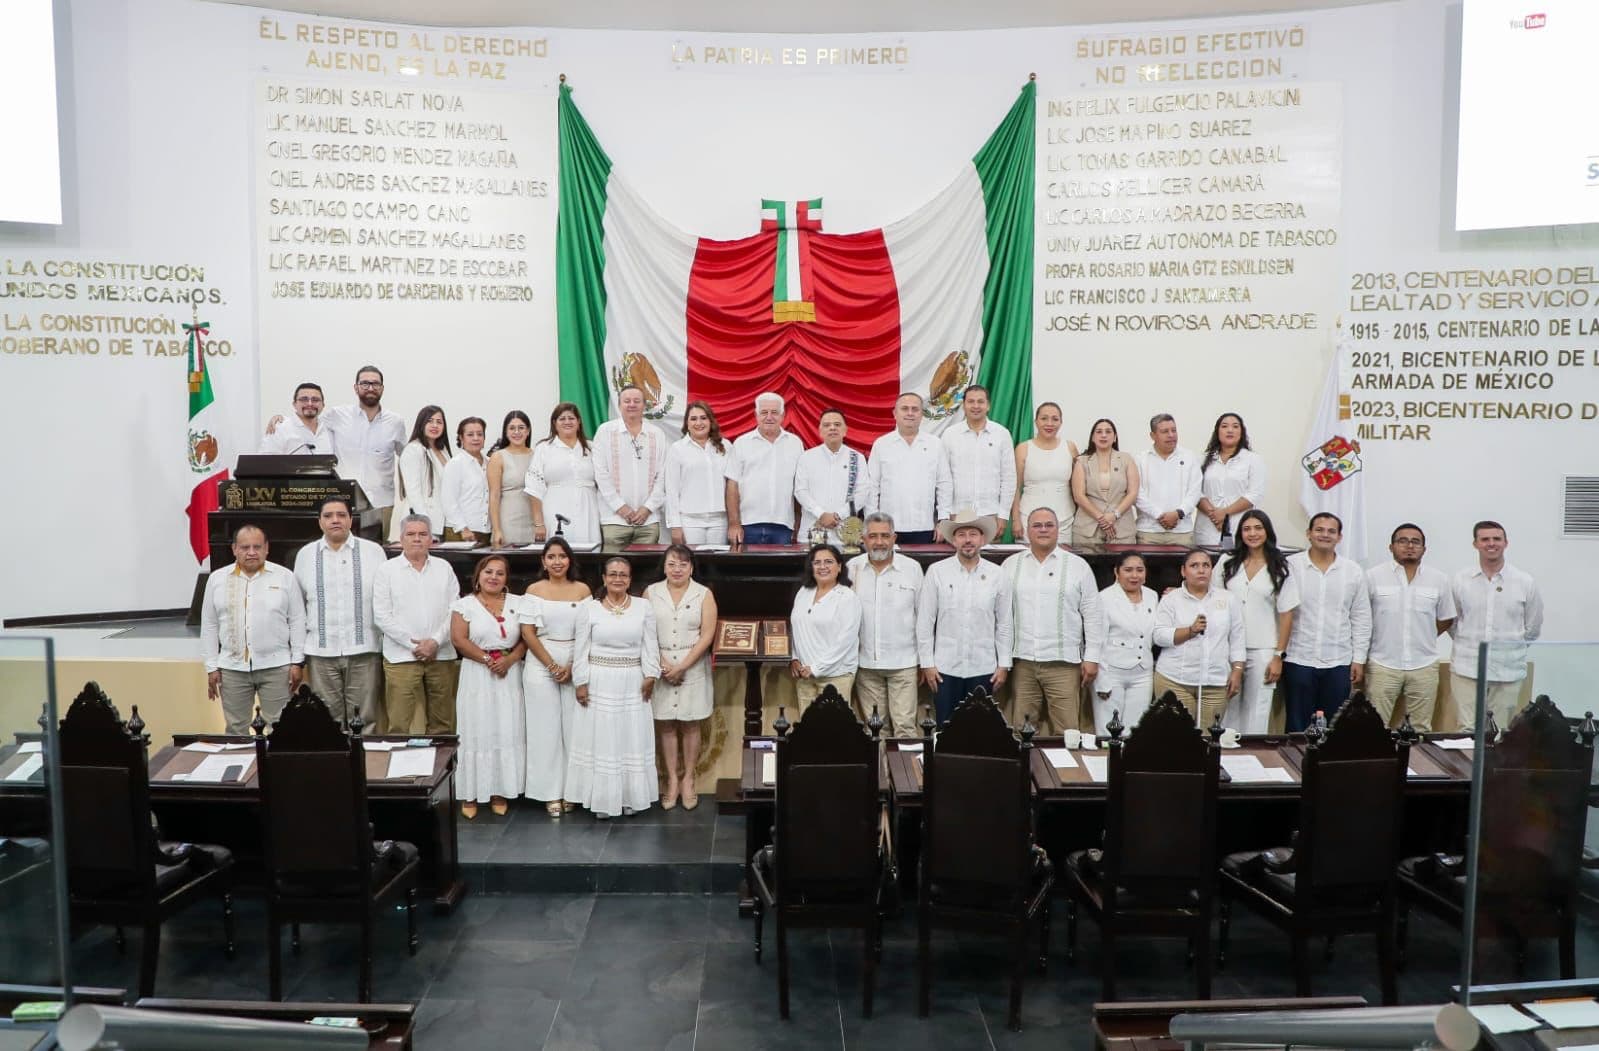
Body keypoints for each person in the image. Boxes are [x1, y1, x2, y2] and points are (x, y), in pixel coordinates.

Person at [568, 557, 661, 818]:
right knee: (603, 740)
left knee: (631, 738)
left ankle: (630, 796)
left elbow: (650, 644)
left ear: (630, 579)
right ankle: (603, 800)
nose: (618, 579)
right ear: (604, 578)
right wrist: (581, 681)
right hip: (599, 680)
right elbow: (581, 648)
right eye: (613, 574)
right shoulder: (589, 609)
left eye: (623, 575)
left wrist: (651, 674)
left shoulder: (643, 607)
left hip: (633, 681)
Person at [268, 366, 406, 532]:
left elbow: (406, 456)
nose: (370, 388)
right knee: (338, 545)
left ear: (382, 388)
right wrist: (281, 419)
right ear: (356, 388)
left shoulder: (396, 422)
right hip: (344, 502)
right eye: (365, 383)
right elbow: (309, 418)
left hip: (381, 503)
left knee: (377, 546)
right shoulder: (338, 415)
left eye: (375, 384)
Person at [1002, 507, 1103, 733]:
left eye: (1049, 525)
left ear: (1058, 530)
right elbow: (1002, 616)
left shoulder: (1078, 566)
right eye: (1037, 525)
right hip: (1023, 661)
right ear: (1027, 530)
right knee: (1022, 730)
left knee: (1067, 732)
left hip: (1064, 663)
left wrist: (1092, 657)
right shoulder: (1011, 565)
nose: (1043, 530)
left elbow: (1093, 615)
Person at [201, 524, 304, 734]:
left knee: (281, 729)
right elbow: (210, 625)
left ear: (267, 548)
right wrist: (211, 667)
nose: (251, 552)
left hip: (277, 666)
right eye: (245, 547)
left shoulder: (285, 577)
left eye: (257, 547)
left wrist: (297, 662)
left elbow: (297, 621)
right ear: (234, 549)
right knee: (235, 730)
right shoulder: (217, 579)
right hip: (232, 669)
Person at [293, 495, 384, 729]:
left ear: (351, 520)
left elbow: (385, 600)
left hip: (364, 650)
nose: (335, 520)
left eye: (341, 515)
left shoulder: (373, 552)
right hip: (321, 652)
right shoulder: (305, 555)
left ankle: (363, 755)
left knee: (364, 719)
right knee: (327, 721)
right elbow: (298, 609)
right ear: (320, 521)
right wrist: (298, 657)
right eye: (328, 516)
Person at [916, 509, 1013, 722]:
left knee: (980, 729)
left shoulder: (998, 575)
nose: (967, 540)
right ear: (954, 540)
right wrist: (927, 663)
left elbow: (1004, 623)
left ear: (982, 539)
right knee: (945, 729)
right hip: (944, 668)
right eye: (961, 535)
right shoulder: (937, 572)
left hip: (984, 667)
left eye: (973, 534)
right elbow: (925, 621)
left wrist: (1004, 664)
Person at [450, 555, 527, 819]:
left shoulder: (518, 603)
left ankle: (499, 791)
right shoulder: (464, 605)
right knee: (477, 728)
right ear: (478, 576)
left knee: (505, 728)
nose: (493, 577)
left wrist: (510, 660)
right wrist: (488, 660)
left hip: (509, 673)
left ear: (506, 578)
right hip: (477, 673)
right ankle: (471, 793)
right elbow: (459, 640)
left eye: (500, 573)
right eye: (488, 572)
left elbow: (526, 637)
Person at [519, 537, 591, 817]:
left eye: (562, 556)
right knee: (545, 730)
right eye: (551, 557)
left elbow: (588, 631)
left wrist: (572, 665)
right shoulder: (533, 590)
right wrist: (551, 666)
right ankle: (550, 793)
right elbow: (528, 633)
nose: (557, 562)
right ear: (543, 561)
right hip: (541, 661)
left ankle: (574, 790)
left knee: (575, 729)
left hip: (575, 659)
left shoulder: (583, 590)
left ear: (570, 560)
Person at [1448, 521, 1542, 731]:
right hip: (1467, 667)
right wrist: (1468, 643)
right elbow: (1453, 623)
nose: (1491, 543)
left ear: (1506, 543)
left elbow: (1533, 627)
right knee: (1466, 731)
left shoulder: (1524, 581)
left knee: (1499, 733)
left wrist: (1511, 648)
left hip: (1507, 670)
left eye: (1496, 539)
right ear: (1475, 544)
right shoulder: (1460, 580)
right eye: (1485, 539)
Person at [1282, 513, 1372, 731]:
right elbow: (1282, 612)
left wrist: (1359, 659)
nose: (1325, 535)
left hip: (1338, 661)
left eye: (1331, 531)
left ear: (1339, 537)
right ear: (1309, 534)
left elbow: (1361, 617)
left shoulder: (1352, 571)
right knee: (1297, 727)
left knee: (1335, 728)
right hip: (1299, 658)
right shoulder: (1290, 566)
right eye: (1319, 530)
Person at [644, 545, 718, 810]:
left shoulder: (704, 594)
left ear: (692, 567)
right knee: (665, 724)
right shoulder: (651, 593)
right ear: (664, 567)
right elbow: (646, 632)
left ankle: (688, 779)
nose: (677, 569)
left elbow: (707, 635)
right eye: (672, 564)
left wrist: (683, 666)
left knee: (690, 723)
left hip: (693, 665)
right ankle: (671, 780)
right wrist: (664, 665)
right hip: (660, 664)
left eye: (683, 564)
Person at [373, 514, 460, 736]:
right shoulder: (386, 570)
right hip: (401, 656)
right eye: (411, 534)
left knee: (443, 723)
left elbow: (455, 611)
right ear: (401, 538)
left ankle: (441, 760)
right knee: (399, 725)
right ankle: (401, 760)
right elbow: (382, 616)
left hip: (441, 654)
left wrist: (435, 642)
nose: (417, 539)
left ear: (431, 539)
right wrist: (414, 645)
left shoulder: (444, 568)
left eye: (423, 534)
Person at [1366, 523, 1456, 732]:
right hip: (1382, 663)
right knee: (1374, 728)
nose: (1409, 546)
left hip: (1424, 664)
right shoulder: (1372, 577)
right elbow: (1362, 618)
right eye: (1403, 541)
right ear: (1391, 547)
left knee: (1420, 729)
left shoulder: (1439, 579)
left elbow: (1446, 618)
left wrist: (1424, 635)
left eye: (1416, 542)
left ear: (1424, 549)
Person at [1216, 510, 1299, 733]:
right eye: (1247, 529)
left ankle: (1253, 754)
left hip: (1263, 649)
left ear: (1267, 531)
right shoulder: (1227, 562)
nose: (1252, 534)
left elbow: (1287, 614)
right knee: (1226, 709)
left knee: (1257, 712)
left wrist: (1278, 656)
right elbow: (1210, 596)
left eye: (1258, 528)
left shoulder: (1281, 566)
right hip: (1228, 647)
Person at [848, 512, 925, 737]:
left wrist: (924, 660)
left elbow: (924, 617)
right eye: (873, 536)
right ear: (863, 539)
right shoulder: (852, 568)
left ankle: (907, 764)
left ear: (894, 538)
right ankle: (881, 764)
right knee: (876, 731)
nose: (879, 542)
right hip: (866, 665)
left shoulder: (912, 568)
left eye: (884, 536)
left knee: (905, 729)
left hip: (904, 664)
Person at [1152, 548, 1245, 729]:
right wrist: (1190, 631)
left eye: (1206, 565)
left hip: (1215, 682)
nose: (1201, 570)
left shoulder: (1228, 599)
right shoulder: (1171, 599)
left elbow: (1237, 637)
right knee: (1178, 736)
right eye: (1194, 566)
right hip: (1175, 680)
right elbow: (1159, 636)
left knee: (1208, 739)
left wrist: (1237, 670)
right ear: (1183, 571)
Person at [865, 392, 951, 545]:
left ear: (922, 414)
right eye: (904, 408)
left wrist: (943, 520)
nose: (910, 413)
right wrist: (871, 521)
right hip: (887, 528)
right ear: (895, 413)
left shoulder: (935, 444)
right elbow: (872, 486)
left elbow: (944, 484)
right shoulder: (882, 444)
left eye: (915, 409)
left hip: (925, 527)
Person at [592, 385, 666, 551]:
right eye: (627, 401)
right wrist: (620, 507)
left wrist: (648, 508)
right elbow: (601, 474)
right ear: (619, 405)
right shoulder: (605, 431)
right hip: (614, 519)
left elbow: (662, 476)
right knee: (613, 565)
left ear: (644, 405)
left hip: (648, 520)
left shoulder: (657, 434)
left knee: (646, 566)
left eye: (637, 401)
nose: (632, 404)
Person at [725, 392, 804, 545]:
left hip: (783, 525)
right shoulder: (742, 443)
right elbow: (732, 485)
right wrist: (734, 523)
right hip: (747, 524)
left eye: (774, 412)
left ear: (783, 415)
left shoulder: (795, 443)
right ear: (756, 415)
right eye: (764, 412)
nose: (769, 417)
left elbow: (799, 485)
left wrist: (798, 520)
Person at [790, 544, 863, 708]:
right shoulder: (803, 592)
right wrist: (794, 658)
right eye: (817, 562)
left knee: (833, 725)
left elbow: (845, 641)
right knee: (807, 724)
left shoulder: (847, 597)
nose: (822, 567)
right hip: (805, 676)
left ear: (839, 567)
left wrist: (816, 668)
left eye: (829, 562)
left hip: (836, 677)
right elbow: (796, 629)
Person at [1094, 553, 1158, 734]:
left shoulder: (1152, 596)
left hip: (1142, 674)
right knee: (1108, 731)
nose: (1134, 575)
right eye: (1128, 570)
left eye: (1140, 570)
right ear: (1117, 572)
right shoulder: (1104, 598)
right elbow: (1097, 640)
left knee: (1135, 731)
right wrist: (1101, 680)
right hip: (1112, 673)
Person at [941, 385, 1016, 538]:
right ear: (964, 405)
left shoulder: (1002, 434)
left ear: (988, 406)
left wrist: (1003, 515)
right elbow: (943, 478)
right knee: (959, 553)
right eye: (971, 401)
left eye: (980, 402)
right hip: (957, 514)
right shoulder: (950, 435)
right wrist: (945, 513)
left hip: (991, 515)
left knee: (989, 553)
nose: (976, 406)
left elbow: (1009, 477)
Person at [526, 402, 602, 547]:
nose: (567, 422)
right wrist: (539, 523)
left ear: (578, 422)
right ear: (555, 423)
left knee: (589, 551)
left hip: (588, 512)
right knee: (559, 551)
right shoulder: (544, 448)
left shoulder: (591, 448)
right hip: (555, 510)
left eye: (571, 418)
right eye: (562, 419)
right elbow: (534, 489)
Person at [795, 408, 868, 546]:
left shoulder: (857, 458)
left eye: (837, 424)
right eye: (827, 425)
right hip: (812, 531)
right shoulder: (807, 457)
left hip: (846, 534)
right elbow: (800, 491)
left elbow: (862, 493)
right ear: (820, 431)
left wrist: (838, 515)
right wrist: (821, 514)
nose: (832, 428)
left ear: (845, 430)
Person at [1195, 412, 1267, 549]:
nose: (1230, 430)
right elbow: (1195, 491)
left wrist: (1224, 513)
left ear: (1242, 432)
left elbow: (1255, 494)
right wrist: (1215, 515)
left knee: (1235, 560)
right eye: (1224, 426)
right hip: (1207, 526)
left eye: (1235, 426)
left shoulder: (1253, 459)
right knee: (1207, 560)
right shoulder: (1202, 459)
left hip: (1239, 525)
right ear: (1217, 431)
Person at [663, 401, 729, 545]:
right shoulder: (677, 449)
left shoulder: (725, 446)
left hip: (720, 520)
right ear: (687, 424)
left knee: (717, 560)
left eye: (703, 418)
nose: (699, 423)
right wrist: (675, 526)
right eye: (693, 419)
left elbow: (732, 485)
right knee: (693, 559)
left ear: (710, 421)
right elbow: (671, 490)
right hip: (689, 521)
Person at [1011, 402, 1078, 539]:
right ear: (1036, 421)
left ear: (1061, 422)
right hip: (1029, 519)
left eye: (1055, 419)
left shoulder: (1070, 447)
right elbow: (1015, 487)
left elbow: (1078, 486)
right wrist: (1016, 519)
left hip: (1064, 520)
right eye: (1044, 418)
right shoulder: (1023, 448)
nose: (1049, 423)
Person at [1070, 418, 1139, 549]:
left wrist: (1114, 515)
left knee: (1123, 562)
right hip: (1087, 530)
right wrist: (1102, 519)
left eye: (1108, 432)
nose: (1103, 435)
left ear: (1115, 437)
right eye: (1099, 432)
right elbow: (1079, 496)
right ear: (1092, 437)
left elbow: (1133, 493)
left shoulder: (1127, 459)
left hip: (1122, 529)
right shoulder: (1082, 461)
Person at [1134, 413, 1201, 547]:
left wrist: (1178, 514)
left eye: (1174, 430)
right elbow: (1136, 493)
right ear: (1153, 436)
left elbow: (1195, 492)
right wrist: (1159, 515)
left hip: (1181, 532)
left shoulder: (1189, 457)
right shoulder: (1141, 459)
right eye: (1165, 431)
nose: (1171, 435)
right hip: (1148, 532)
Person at [390, 405, 452, 541]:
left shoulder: (443, 450)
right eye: (430, 421)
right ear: (421, 423)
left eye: (439, 422)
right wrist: (425, 526)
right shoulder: (413, 450)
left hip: (441, 521)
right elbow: (414, 493)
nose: (435, 425)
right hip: (420, 523)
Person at [487, 410, 536, 547]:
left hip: (533, 521)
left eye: (521, 428)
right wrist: (497, 529)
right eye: (512, 428)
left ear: (528, 431)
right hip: (508, 521)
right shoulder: (498, 457)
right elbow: (494, 496)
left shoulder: (537, 456)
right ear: (506, 432)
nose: (517, 432)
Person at [441, 416, 489, 544]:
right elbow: (448, 501)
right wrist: (463, 528)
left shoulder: (490, 463)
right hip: (460, 532)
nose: (476, 438)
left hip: (485, 530)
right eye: (470, 434)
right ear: (461, 438)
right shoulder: (455, 464)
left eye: (480, 434)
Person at [260, 382, 333, 455]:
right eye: (304, 399)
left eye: (315, 400)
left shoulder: (330, 429)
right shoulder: (279, 428)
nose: (310, 404)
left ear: (323, 405)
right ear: (294, 404)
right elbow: (265, 460)